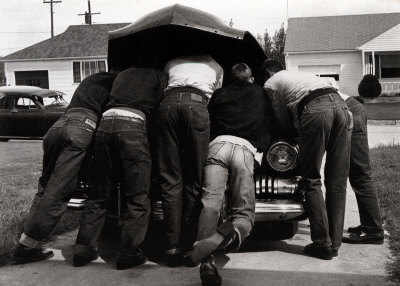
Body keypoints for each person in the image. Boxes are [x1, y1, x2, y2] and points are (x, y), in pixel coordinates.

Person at [12, 72, 117, 264]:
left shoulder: (92, 79)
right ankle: (26, 249)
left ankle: (27, 242)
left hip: (58, 125)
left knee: (44, 189)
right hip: (82, 126)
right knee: (59, 191)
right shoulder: (117, 84)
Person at [72, 67, 167, 270]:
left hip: (106, 123)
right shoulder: (157, 75)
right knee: (138, 195)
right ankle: (129, 252)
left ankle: (83, 248)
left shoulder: (122, 75)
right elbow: (160, 113)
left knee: (98, 192)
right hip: (133, 124)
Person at [187, 63, 272, 286]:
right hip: (244, 149)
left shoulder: (219, 94)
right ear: (251, 78)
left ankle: (206, 260)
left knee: (211, 203)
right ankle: (229, 234)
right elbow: (269, 123)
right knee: (243, 211)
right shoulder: (260, 93)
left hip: (218, 146)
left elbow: (207, 121)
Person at [262, 60, 352, 260]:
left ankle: (322, 244)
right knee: (337, 180)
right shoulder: (298, 76)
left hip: (315, 108)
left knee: (310, 178)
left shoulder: (271, 83)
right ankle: (334, 243)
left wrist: (291, 137)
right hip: (340, 105)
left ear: (268, 73)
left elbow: (280, 117)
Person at [157, 54, 224, 266]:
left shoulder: (171, 62)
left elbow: (162, 86)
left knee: (170, 178)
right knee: (195, 177)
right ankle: (190, 244)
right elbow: (218, 96)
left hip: (167, 106)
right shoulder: (215, 65)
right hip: (197, 105)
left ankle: (171, 246)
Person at [325, 78, 384, 244]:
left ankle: (374, 230)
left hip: (351, 111)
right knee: (358, 176)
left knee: (360, 176)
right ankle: (369, 225)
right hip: (351, 109)